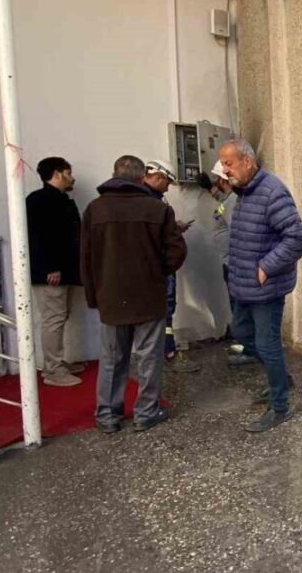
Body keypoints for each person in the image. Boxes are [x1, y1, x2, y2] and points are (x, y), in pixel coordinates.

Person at [81, 155, 187, 433]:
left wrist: (94, 295)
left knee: (112, 358)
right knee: (148, 357)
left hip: (111, 297)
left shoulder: (95, 209)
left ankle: (108, 415)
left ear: (114, 174)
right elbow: (177, 252)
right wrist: (156, 272)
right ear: (142, 178)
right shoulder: (157, 209)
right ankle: (146, 412)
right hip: (149, 296)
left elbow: (86, 257)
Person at [220, 138, 302, 433]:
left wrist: (266, 267)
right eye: (223, 164)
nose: (225, 170)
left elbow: (297, 239)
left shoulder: (272, 191)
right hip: (242, 286)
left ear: (247, 161)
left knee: (268, 345)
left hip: (265, 288)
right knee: (243, 335)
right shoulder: (243, 192)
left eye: (229, 163)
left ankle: (279, 405)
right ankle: (280, 377)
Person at [26, 157, 83, 387]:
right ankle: (53, 370)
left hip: (62, 270)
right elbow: (39, 237)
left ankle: (58, 362)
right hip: (50, 273)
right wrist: (51, 267)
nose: (73, 177)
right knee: (53, 319)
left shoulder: (60, 200)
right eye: (69, 173)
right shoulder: (40, 201)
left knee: (60, 317)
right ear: (58, 174)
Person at [141, 160, 191, 361]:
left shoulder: (155, 199)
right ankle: (163, 349)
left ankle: (165, 347)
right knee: (163, 307)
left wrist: (174, 227)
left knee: (166, 308)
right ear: (158, 177)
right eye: (167, 182)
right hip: (159, 266)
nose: (168, 187)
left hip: (159, 265)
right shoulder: (148, 201)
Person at [196, 161, 240, 345]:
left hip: (233, 262)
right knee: (234, 300)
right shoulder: (229, 197)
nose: (214, 181)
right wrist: (209, 189)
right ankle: (238, 333)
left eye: (216, 178)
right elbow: (222, 201)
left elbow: (236, 231)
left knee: (237, 301)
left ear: (223, 179)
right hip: (227, 261)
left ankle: (242, 340)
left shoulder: (234, 200)